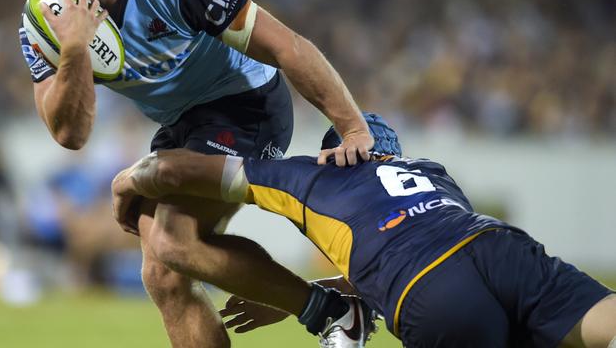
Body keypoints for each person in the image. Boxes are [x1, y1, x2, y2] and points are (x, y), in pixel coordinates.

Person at [19, 0, 373, 348]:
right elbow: (70, 135)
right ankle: (329, 305)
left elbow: (286, 46)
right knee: (162, 274)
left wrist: (352, 127)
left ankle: (331, 310)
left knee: (170, 240)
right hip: (182, 125)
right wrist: (76, 51)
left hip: (247, 105)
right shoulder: (44, 20)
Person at [111, 112, 616, 348]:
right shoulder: (429, 170)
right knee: (602, 323)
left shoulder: (309, 174)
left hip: (427, 288)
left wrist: (128, 179)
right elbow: (423, 240)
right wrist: (317, 289)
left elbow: (178, 169)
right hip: (499, 246)